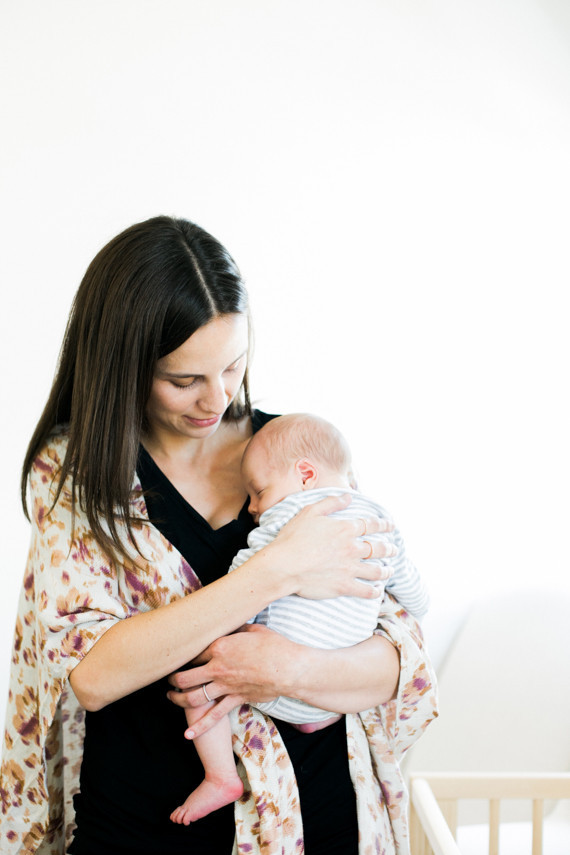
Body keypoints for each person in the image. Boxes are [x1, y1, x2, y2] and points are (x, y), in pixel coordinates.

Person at [0, 215, 438, 855]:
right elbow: (93, 672)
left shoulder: (296, 457)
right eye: (184, 380)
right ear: (124, 365)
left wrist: (285, 668)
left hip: (316, 817)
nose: (217, 398)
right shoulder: (78, 472)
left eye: (234, 366)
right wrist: (277, 571)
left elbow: (400, 661)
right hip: (143, 825)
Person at [172, 412, 430, 826]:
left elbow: (246, 578)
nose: (253, 507)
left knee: (203, 675)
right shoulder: (381, 520)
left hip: (274, 685)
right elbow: (414, 594)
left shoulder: (288, 516)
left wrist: (227, 626)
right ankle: (314, 717)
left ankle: (220, 776)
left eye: (258, 492)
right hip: (332, 695)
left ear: (305, 475)